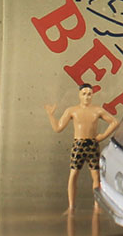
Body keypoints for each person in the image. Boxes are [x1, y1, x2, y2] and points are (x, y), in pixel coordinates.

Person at [44, 83, 118, 212]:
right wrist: (51, 115)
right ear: (79, 95)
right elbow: (58, 128)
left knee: (96, 176)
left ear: (92, 95)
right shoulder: (72, 110)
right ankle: (71, 206)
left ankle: (97, 206)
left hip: (92, 144)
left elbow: (114, 122)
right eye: (84, 94)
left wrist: (103, 136)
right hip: (78, 145)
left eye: (89, 94)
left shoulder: (97, 110)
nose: (86, 97)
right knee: (73, 175)